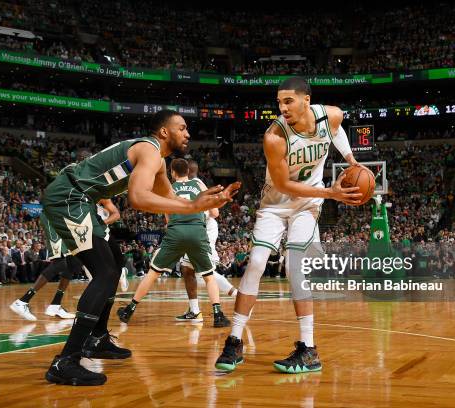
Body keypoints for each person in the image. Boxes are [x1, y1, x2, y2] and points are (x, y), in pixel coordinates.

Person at [42, 109, 240, 386]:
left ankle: (97, 339)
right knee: (105, 272)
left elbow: (169, 197)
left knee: (115, 264)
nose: (188, 133)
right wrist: (194, 205)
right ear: (164, 132)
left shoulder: (157, 161)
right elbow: (137, 198)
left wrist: (201, 198)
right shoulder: (149, 150)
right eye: (182, 128)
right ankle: (67, 360)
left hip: (83, 199)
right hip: (69, 197)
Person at [215, 77, 362, 374]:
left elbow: (337, 130)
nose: (281, 108)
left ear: (306, 100)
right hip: (275, 203)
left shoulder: (330, 114)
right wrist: (330, 193)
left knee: (295, 264)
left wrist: (350, 159)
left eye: (288, 101)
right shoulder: (274, 137)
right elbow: (285, 184)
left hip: (307, 206)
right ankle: (234, 340)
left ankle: (308, 349)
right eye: (279, 102)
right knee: (256, 262)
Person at [117, 158, 231, 328]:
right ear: (188, 172)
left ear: (172, 173)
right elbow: (214, 212)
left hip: (176, 232)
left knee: (153, 273)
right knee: (208, 276)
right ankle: (218, 315)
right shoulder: (199, 185)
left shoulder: (167, 189)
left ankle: (129, 310)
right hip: (197, 232)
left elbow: (168, 218)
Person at [9, 199, 119, 322]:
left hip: (67, 219)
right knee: (60, 263)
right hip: (54, 216)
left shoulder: (95, 199)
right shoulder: (81, 190)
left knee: (75, 261)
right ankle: (22, 301)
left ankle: (55, 305)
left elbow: (113, 214)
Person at [175, 160, 238, 323]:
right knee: (190, 270)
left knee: (200, 270)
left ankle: (234, 295)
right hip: (201, 228)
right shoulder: (197, 184)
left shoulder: (195, 185)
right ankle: (195, 310)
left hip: (203, 228)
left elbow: (214, 213)